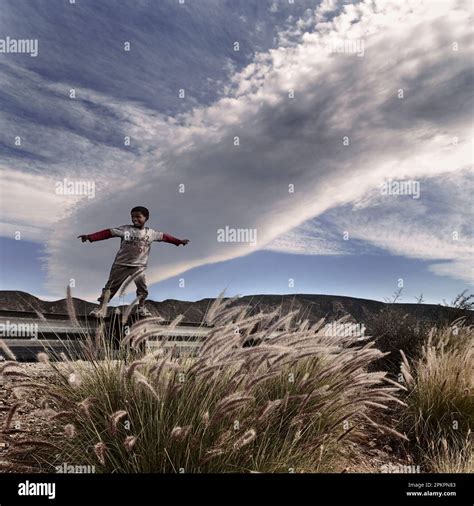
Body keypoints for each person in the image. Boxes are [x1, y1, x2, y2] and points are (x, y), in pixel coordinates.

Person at [78, 206, 189, 318]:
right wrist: (90, 237)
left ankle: (141, 308)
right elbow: (108, 233)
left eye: (138, 217)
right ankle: (101, 308)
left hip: (139, 266)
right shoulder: (125, 230)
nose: (135, 219)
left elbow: (165, 237)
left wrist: (178, 241)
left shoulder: (150, 233)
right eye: (132, 217)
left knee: (142, 288)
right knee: (110, 287)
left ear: (146, 218)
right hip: (121, 264)